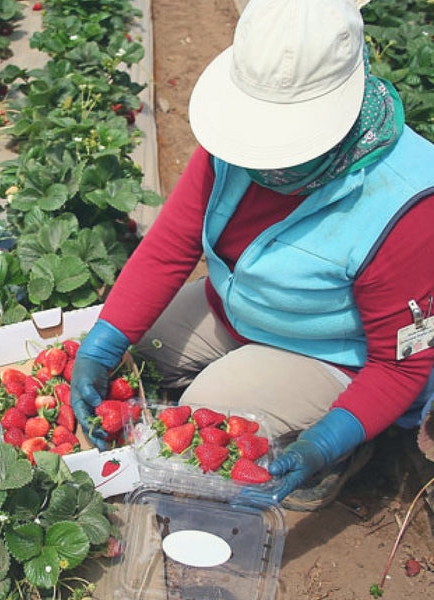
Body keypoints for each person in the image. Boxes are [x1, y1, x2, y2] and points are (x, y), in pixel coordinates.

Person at [71, 0, 434, 509]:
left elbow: (401, 367)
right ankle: (246, 386)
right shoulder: (235, 141)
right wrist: (102, 345)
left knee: (205, 415)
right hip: (234, 309)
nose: (259, 157)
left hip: (326, 355)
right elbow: (171, 244)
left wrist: (324, 443)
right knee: (129, 351)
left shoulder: (407, 204)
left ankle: (343, 452)